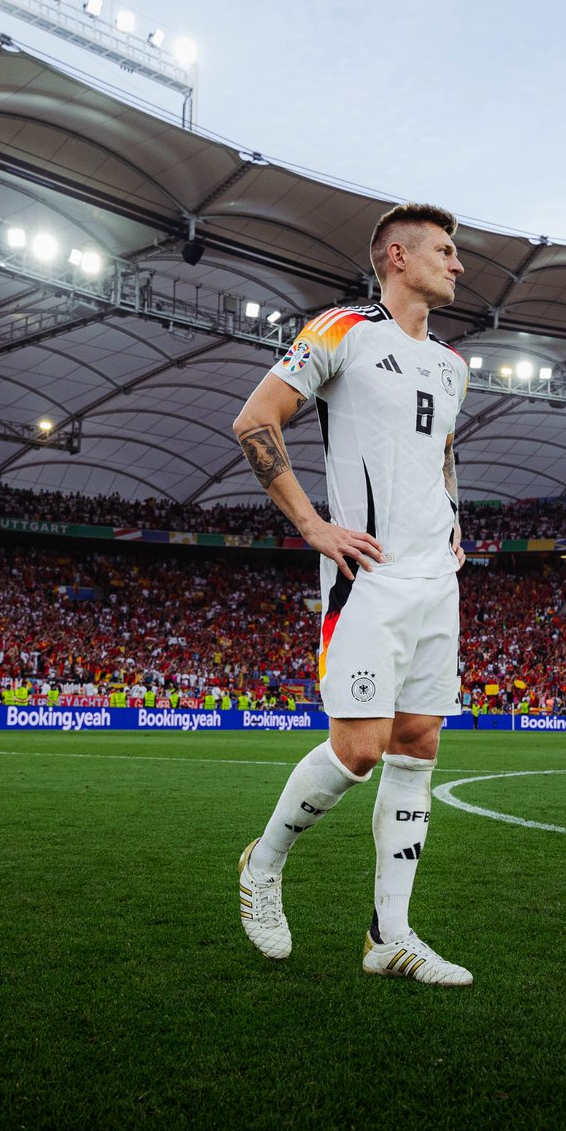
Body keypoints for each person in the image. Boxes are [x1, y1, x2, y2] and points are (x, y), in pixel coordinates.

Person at [231, 202, 472, 987]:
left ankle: (388, 936)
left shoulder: (452, 365)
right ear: (396, 256)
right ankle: (262, 865)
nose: (457, 263)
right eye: (444, 250)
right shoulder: (342, 329)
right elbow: (255, 421)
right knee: (360, 750)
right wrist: (314, 526)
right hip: (368, 577)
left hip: (438, 578)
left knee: (418, 747)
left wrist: (455, 524)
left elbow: (440, 455)